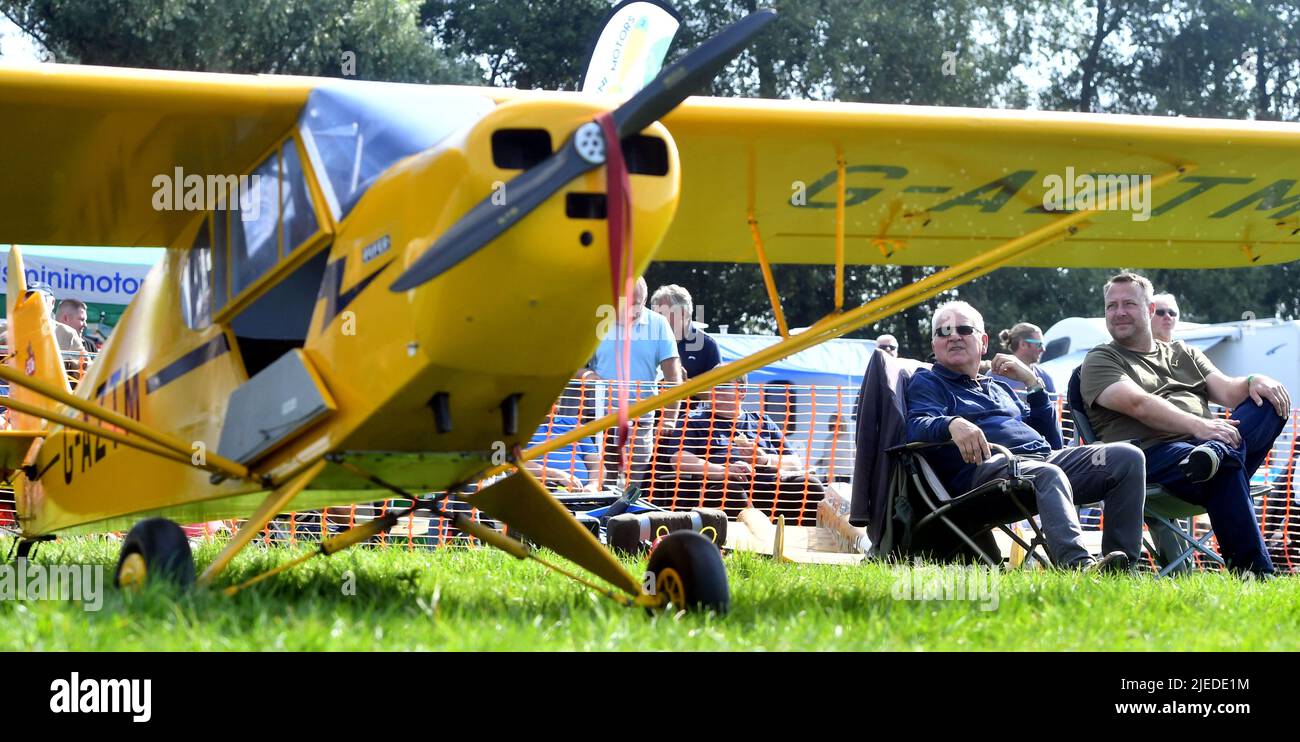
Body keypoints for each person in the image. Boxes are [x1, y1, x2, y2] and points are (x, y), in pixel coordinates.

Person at [905, 300, 1144, 570]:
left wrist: (1033, 383)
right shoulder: (927, 381)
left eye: (963, 329)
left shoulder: (999, 389)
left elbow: (1053, 443)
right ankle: (1078, 567)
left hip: (1039, 461)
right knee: (1046, 473)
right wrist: (951, 423)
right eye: (943, 332)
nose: (954, 336)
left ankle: (1122, 567)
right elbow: (916, 425)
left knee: (1127, 457)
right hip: (986, 477)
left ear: (983, 342)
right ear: (934, 345)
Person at [1080, 272, 1290, 576]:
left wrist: (1255, 380)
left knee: (1268, 402)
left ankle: (1215, 455)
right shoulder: (1101, 359)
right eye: (1111, 306)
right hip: (1149, 457)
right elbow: (1138, 404)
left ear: (1149, 310)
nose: (1119, 312)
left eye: (1128, 303)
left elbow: (1230, 391)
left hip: (1203, 450)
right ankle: (1255, 573)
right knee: (1225, 466)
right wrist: (1201, 427)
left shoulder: (1184, 353)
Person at [661, 374, 824, 522]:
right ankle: (741, 550)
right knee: (731, 493)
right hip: (723, 486)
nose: (716, 389)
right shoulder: (693, 420)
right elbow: (679, 458)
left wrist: (764, 459)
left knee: (810, 485)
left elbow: (795, 463)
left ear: (742, 391)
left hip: (769, 485)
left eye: (724, 385)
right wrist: (724, 471)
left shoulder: (762, 421)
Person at [578, 276, 682, 487]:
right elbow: (570, 365)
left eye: (639, 302)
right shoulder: (597, 321)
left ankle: (633, 518)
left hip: (641, 422)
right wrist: (587, 375)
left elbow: (673, 376)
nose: (634, 309)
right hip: (600, 420)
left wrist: (670, 419)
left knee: (636, 485)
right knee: (600, 482)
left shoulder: (659, 324)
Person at [651, 284, 721, 382]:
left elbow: (718, 391)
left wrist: (683, 384)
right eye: (654, 314)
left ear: (683, 313)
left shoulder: (708, 346)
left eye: (661, 313)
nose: (655, 319)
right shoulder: (650, 342)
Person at [990, 322, 1055, 394]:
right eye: (1039, 344)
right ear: (1023, 344)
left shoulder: (1045, 377)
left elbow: (1054, 404)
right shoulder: (995, 375)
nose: (1043, 349)